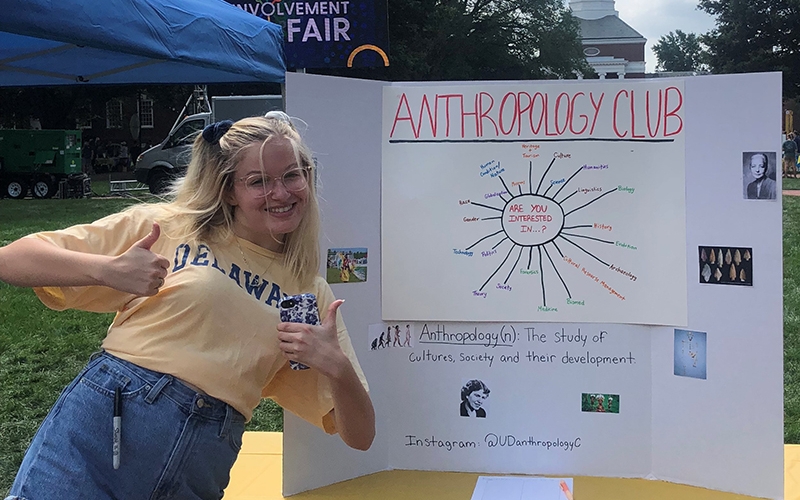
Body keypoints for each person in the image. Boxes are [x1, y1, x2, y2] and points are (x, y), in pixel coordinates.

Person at [0, 113, 375, 499]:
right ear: (229, 190)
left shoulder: (307, 292)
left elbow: (360, 435)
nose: (281, 193)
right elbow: (12, 259)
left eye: (292, 175)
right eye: (258, 181)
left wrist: (337, 367)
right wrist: (107, 270)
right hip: (109, 424)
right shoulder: (172, 228)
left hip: (203, 453)